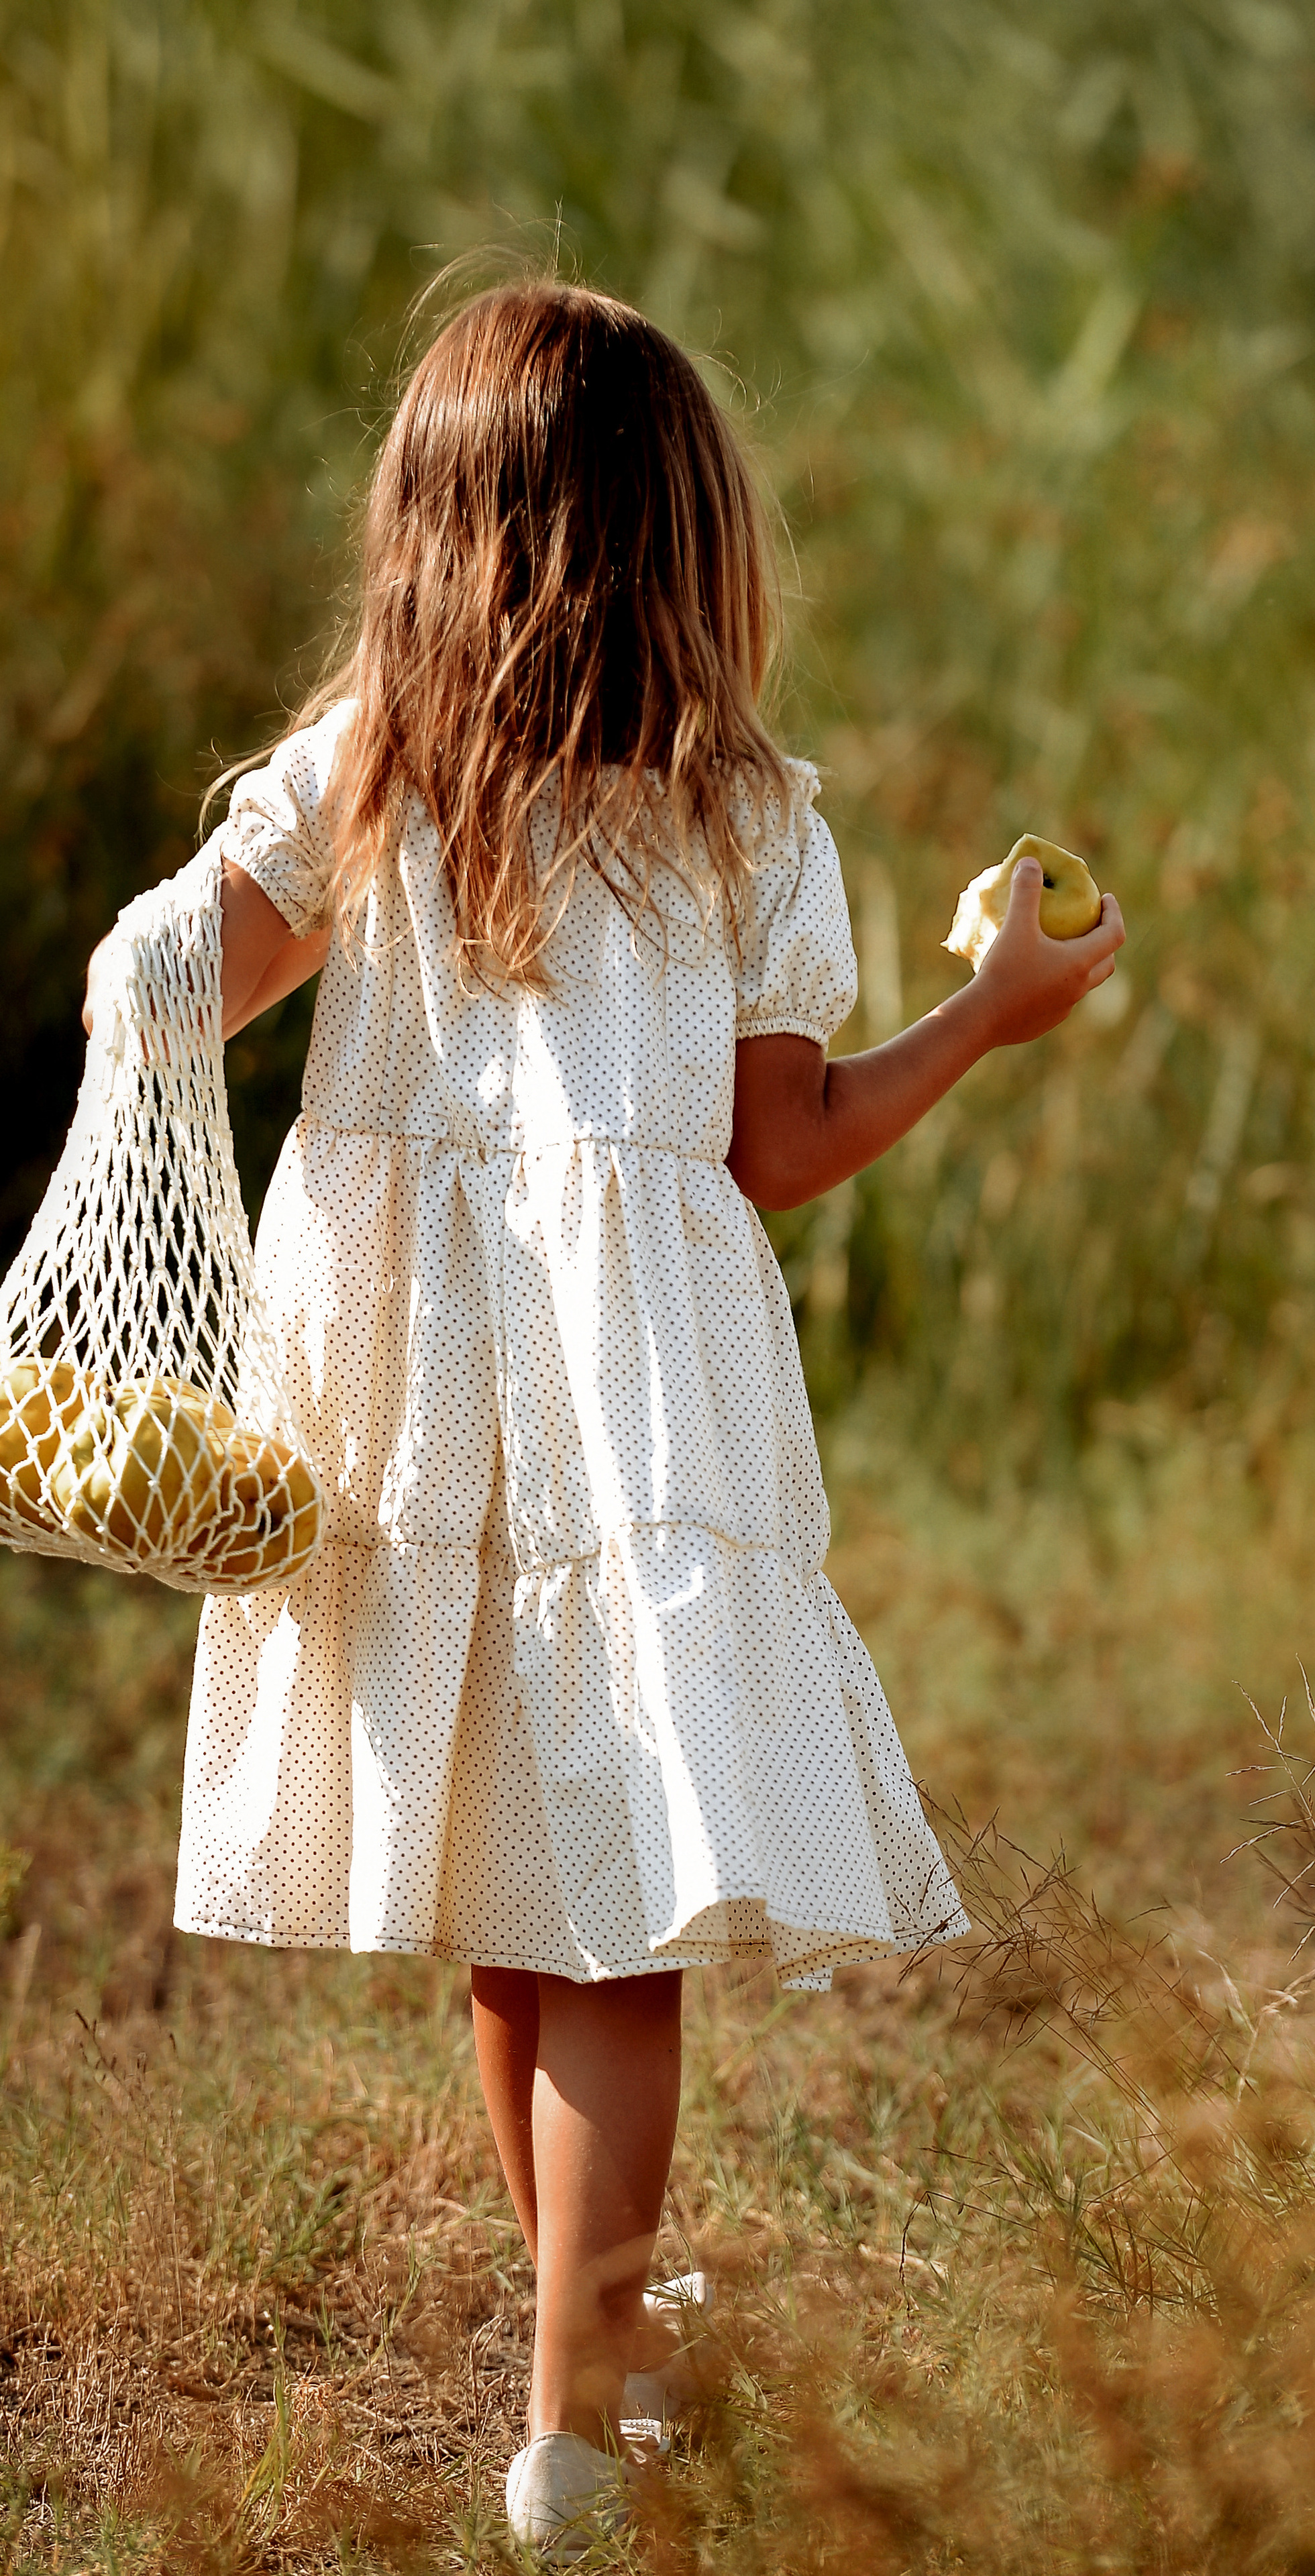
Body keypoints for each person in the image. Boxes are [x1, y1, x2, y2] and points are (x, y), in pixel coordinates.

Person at [83, 276, 1126, 2560]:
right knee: (598, 1910)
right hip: (633, 1406)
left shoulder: (367, 775)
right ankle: (577, 2418)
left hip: (420, 1403)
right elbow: (782, 1144)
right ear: (689, 543)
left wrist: (153, 963)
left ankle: (599, 2359)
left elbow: (187, 982)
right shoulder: (743, 820)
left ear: (427, 535)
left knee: (524, 1898)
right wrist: (990, 1012)